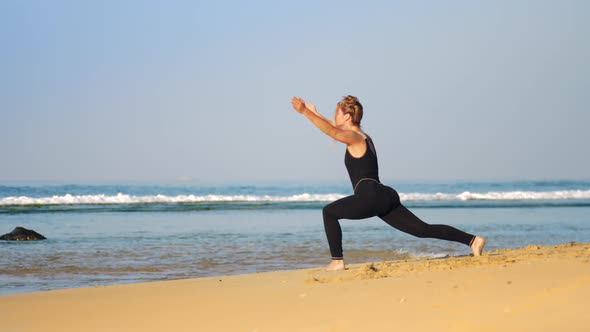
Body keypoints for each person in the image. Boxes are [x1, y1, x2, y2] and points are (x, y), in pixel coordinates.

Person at [291, 95, 487, 271]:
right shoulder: (363, 137)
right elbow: (334, 129)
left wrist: (305, 112)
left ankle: (337, 261)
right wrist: (316, 114)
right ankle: (473, 240)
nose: (334, 117)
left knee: (329, 212)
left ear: (347, 117)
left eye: (337, 113)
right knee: (422, 230)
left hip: (370, 195)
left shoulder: (354, 138)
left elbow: (333, 132)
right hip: (383, 195)